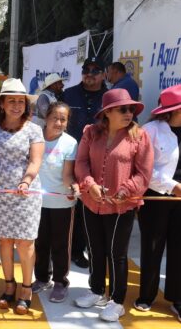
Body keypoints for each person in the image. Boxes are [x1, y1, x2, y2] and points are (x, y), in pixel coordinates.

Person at [74, 88, 153, 322]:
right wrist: (89, 184)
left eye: (131, 109)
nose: (129, 113)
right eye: (123, 109)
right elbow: (81, 162)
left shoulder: (139, 136)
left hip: (121, 206)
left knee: (116, 254)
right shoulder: (91, 133)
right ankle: (97, 290)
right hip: (91, 203)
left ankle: (117, 301)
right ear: (107, 112)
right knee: (95, 249)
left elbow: (144, 174)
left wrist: (126, 189)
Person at [0, 78, 44, 315]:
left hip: (25, 194)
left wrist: (26, 180)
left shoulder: (34, 129)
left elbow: (35, 160)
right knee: (4, 241)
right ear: (2, 103)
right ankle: (9, 286)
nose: (17, 105)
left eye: (21, 101)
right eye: (12, 100)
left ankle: (26, 288)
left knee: (25, 243)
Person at [134, 84, 181, 320]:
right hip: (156, 198)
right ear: (171, 111)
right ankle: (146, 296)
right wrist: (173, 186)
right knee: (152, 247)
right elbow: (143, 170)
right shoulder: (150, 130)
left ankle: (177, 298)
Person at [32, 102, 79, 303]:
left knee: (60, 245)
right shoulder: (34, 136)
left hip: (61, 203)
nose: (58, 122)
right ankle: (42, 278)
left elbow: (68, 175)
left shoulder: (70, 143)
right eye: (55, 118)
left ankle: (60, 282)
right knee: (40, 243)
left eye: (63, 119)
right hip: (35, 203)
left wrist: (72, 189)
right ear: (46, 118)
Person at [63, 56, 107, 269]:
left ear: (104, 74)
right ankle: (76, 249)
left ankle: (96, 249)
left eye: (95, 70)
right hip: (72, 157)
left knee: (98, 203)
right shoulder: (69, 94)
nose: (89, 73)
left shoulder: (109, 98)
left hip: (102, 159)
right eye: (86, 69)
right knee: (76, 206)